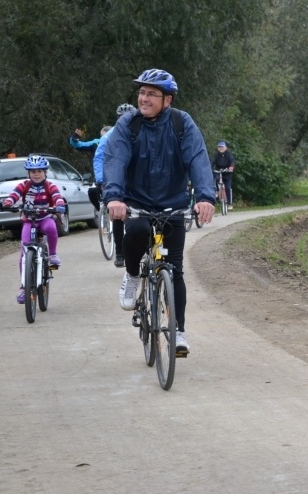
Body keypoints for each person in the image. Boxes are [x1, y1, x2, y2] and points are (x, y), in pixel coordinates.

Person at [103, 69, 215, 355]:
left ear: (167, 100)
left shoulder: (181, 123)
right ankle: (132, 275)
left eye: (151, 93)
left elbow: (198, 159)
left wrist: (204, 197)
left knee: (175, 269)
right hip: (137, 202)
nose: (144, 98)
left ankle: (178, 332)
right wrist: (114, 196)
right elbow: (115, 160)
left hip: (173, 204)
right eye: (142, 92)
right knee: (137, 232)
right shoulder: (128, 125)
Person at [0, 155, 66, 303]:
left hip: (45, 218)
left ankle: (53, 255)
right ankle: (24, 287)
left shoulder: (50, 186)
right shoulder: (24, 185)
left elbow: (57, 197)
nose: (36, 174)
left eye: (39, 171)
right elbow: (14, 195)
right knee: (24, 249)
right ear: (28, 173)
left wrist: (59, 204)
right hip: (29, 220)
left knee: (51, 228)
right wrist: (9, 202)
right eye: (33, 171)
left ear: (45, 172)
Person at [91, 103, 136, 267]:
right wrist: (102, 179)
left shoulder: (141, 131)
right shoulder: (109, 136)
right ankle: (120, 253)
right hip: (117, 180)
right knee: (118, 215)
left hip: (137, 181)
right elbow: (100, 158)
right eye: (121, 118)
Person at [211, 140, 235, 208]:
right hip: (218, 170)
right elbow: (212, 161)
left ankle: (229, 203)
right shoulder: (216, 154)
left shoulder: (229, 154)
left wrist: (231, 167)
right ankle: (216, 191)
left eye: (222, 147)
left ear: (226, 147)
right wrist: (210, 168)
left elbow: (232, 161)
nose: (221, 148)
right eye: (219, 147)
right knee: (216, 179)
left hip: (227, 171)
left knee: (228, 188)